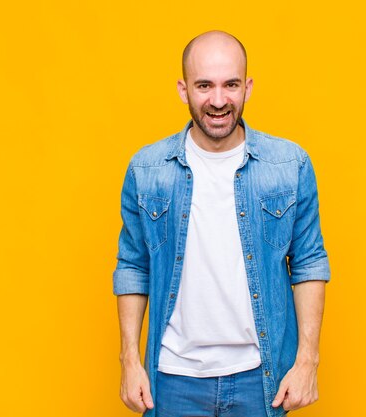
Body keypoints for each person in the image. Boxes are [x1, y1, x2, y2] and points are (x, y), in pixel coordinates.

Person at [113, 30, 331, 417]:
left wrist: (307, 361)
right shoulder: (147, 170)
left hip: (260, 380)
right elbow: (133, 266)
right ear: (183, 89)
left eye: (230, 84)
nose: (218, 101)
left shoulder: (288, 165)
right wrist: (130, 362)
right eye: (204, 86)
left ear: (247, 86)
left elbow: (309, 262)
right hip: (173, 379)